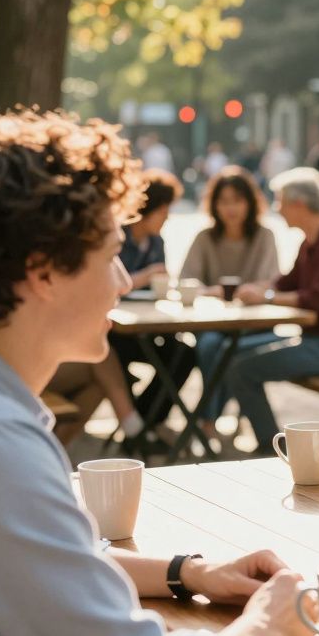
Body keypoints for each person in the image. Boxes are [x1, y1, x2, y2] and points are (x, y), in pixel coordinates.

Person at [0, 109, 312, 636]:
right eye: (111, 254)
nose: (123, 281)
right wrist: (265, 627)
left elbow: (45, 562)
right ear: (42, 271)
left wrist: (188, 572)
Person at [228, 167, 319, 451]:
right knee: (234, 354)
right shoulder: (312, 241)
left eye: (279, 201)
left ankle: (270, 448)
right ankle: (262, 437)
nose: (276, 208)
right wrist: (256, 290)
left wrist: (266, 297)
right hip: (318, 341)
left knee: (241, 369)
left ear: (298, 204)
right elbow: (285, 282)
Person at [179, 166, 282, 443]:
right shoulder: (205, 238)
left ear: (250, 203)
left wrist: (224, 291)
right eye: (224, 201)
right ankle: (210, 420)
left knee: (225, 350)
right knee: (212, 345)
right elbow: (187, 281)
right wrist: (220, 292)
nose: (231, 208)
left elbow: (267, 281)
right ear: (214, 205)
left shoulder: (264, 236)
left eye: (237, 200)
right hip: (210, 323)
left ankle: (207, 420)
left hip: (255, 325)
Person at [109, 169, 196, 436]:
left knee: (183, 353)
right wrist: (145, 276)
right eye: (164, 210)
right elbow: (111, 284)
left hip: (148, 321)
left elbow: (159, 284)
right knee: (116, 351)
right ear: (148, 208)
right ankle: (140, 429)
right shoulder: (118, 238)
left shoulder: (157, 242)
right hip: (116, 327)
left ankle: (147, 422)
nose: (167, 217)